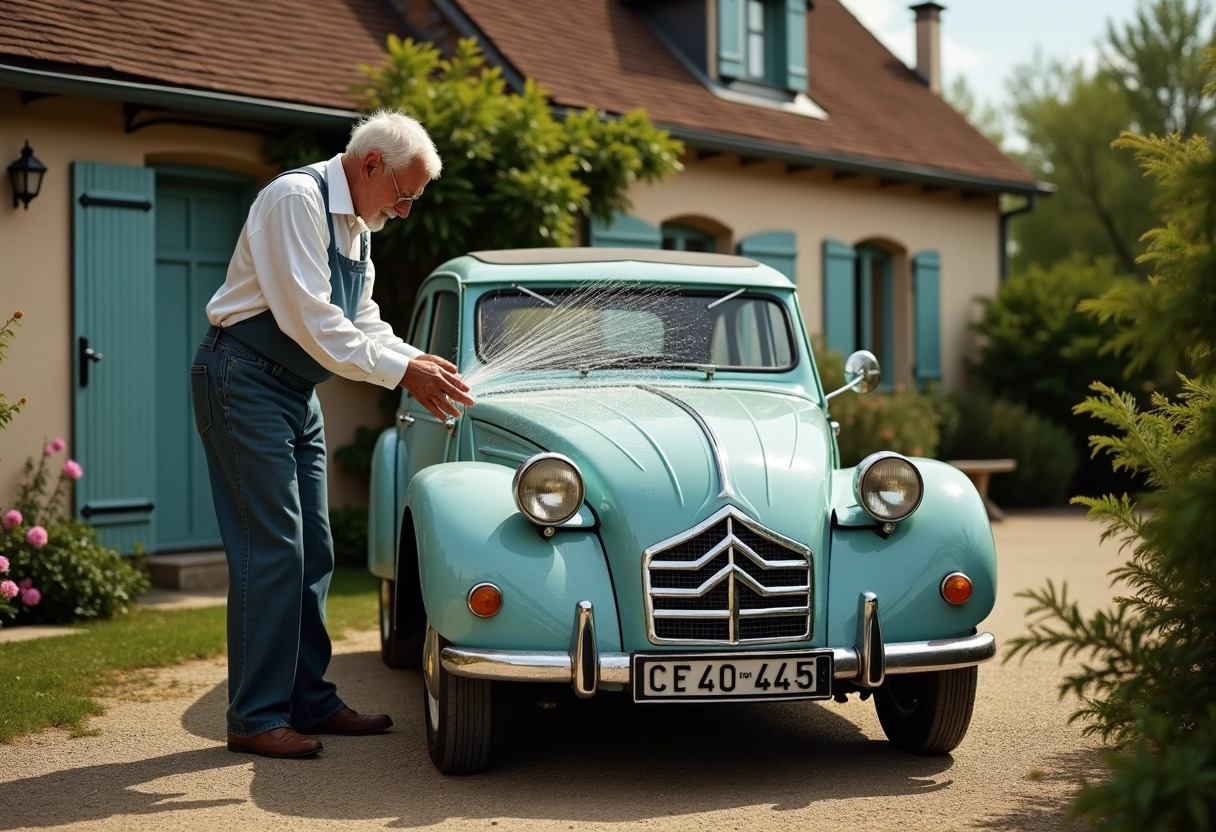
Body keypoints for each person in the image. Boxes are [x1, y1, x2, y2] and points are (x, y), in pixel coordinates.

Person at [190, 109, 474, 759]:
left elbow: (363, 320)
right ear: (371, 165)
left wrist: (419, 361)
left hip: (295, 389)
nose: (405, 212)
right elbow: (313, 322)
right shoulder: (295, 199)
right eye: (405, 195)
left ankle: (308, 700)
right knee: (273, 551)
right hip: (243, 380)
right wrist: (405, 373)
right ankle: (255, 716)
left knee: (315, 551)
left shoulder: (358, 225)